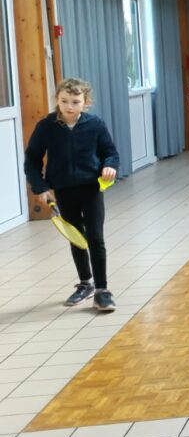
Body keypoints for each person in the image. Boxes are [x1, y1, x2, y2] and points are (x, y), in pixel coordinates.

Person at [24, 78, 120, 312]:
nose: (69, 106)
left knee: (95, 238)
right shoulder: (46, 126)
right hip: (64, 191)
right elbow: (32, 160)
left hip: (91, 189)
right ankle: (85, 284)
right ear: (57, 100)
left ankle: (102, 290)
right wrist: (40, 187)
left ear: (85, 102)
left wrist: (109, 165)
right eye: (64, 101)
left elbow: (110, 153)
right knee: (76, 237)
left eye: (75, 102)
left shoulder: (95, 125)